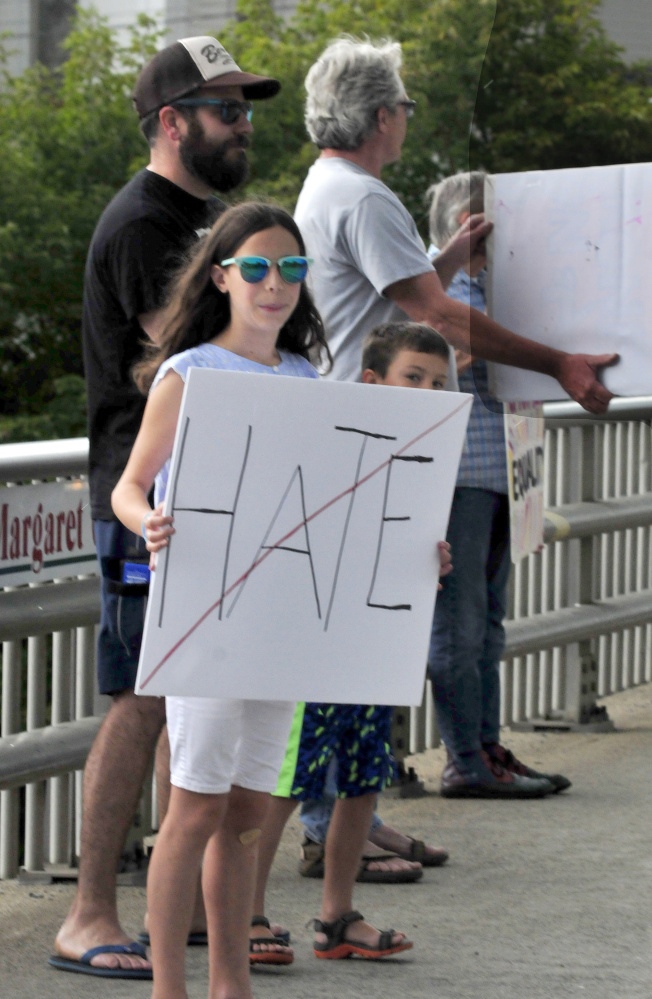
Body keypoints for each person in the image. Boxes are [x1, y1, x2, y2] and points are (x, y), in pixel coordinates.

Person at [291, 34, 603, 872]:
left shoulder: (325, 186)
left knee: (356, 649)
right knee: (355, 652)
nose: (407, 122)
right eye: (405, 107)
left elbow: (393, 298)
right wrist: (560, 363)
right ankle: (328, 827)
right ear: (382, 115)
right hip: (368, 448)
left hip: (345, 440)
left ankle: (347, 820)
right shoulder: (365, 196)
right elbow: (438, 321)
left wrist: (445, 259)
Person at [50, 37, 281, 979]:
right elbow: (190, 348)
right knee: (140, 697)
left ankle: (176, 909)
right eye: (226, 109)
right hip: (145, 496)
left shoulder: (210, 218)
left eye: (247, 108)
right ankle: (88, 911)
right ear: (173, 121)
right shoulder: (146, 222)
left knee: (182, 699)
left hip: (218, 500)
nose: (244, 124)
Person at [110, 202, 328, 997]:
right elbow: (130, 489)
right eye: (260, 268)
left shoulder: (307, 378)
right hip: (205, 616)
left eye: (293, 269)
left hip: (280, 622)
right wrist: (152, 523)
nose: (277, 285)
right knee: (195, 807)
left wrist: (407, 554)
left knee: (247, 812)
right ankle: (172, 985)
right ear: (223, 276)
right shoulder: (190, 372)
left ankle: (229, 983)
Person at [252, 320, 453, 962]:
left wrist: (431, 560)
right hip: (317, 639)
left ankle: (335, 917)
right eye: (412, 378)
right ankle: (246, 915)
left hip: (376, 639)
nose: (426, 391)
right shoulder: (335, 441)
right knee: (286, 780)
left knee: (364, 775)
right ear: (373, 382)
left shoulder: (426, 457)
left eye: (439, 383)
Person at [426, 172, 571, 797]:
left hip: (503, 470)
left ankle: (488, 747)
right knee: (459, 627)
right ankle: (464, 758)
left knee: (489, 623)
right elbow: (431, 366)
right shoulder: (440, 291)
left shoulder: (505, 290)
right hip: (457, 475)